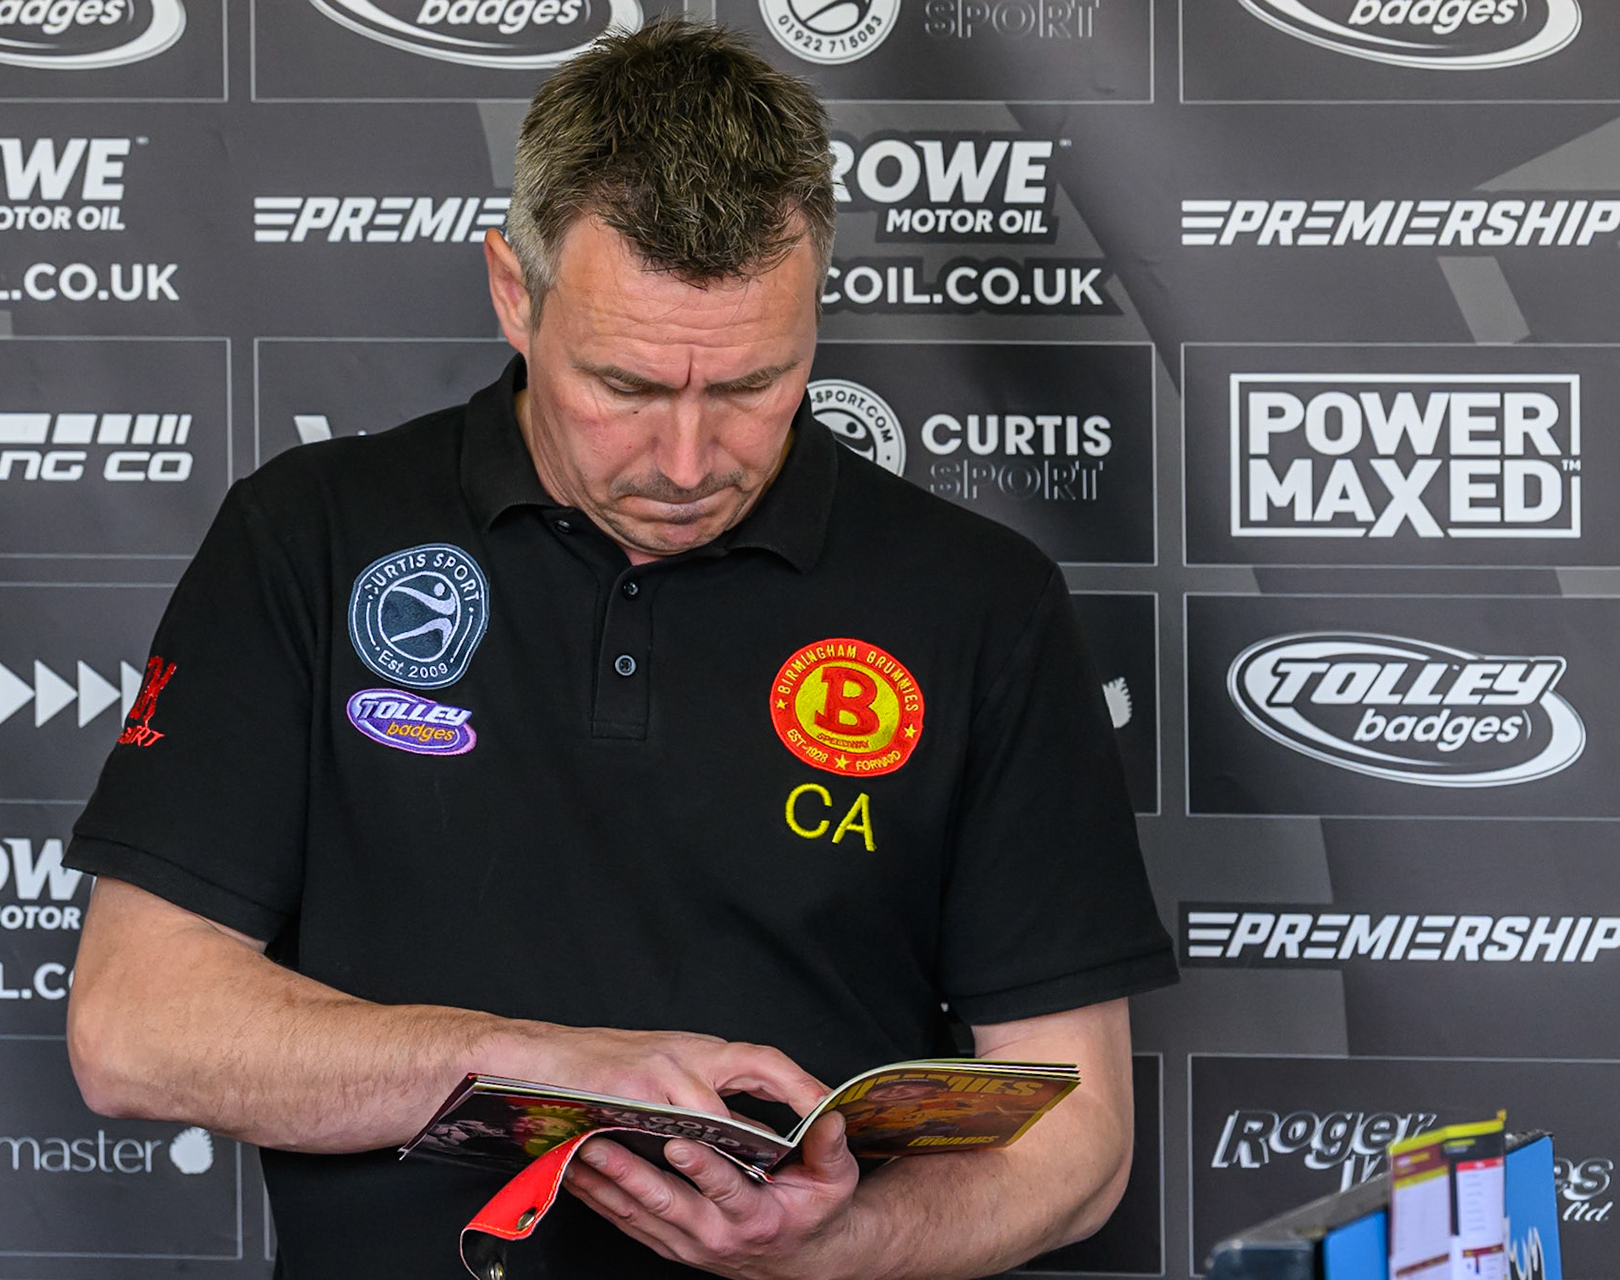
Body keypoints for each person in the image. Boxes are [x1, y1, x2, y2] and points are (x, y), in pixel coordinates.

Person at [63, 18, 1176, 1279]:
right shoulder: (307, 539)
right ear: (512, 293)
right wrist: (557, 1067)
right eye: (630, 388)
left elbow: (1078, 1132)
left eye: (755, 384)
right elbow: (134, 1026)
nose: (691, 461)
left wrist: (840, 1239)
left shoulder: (981, 601)